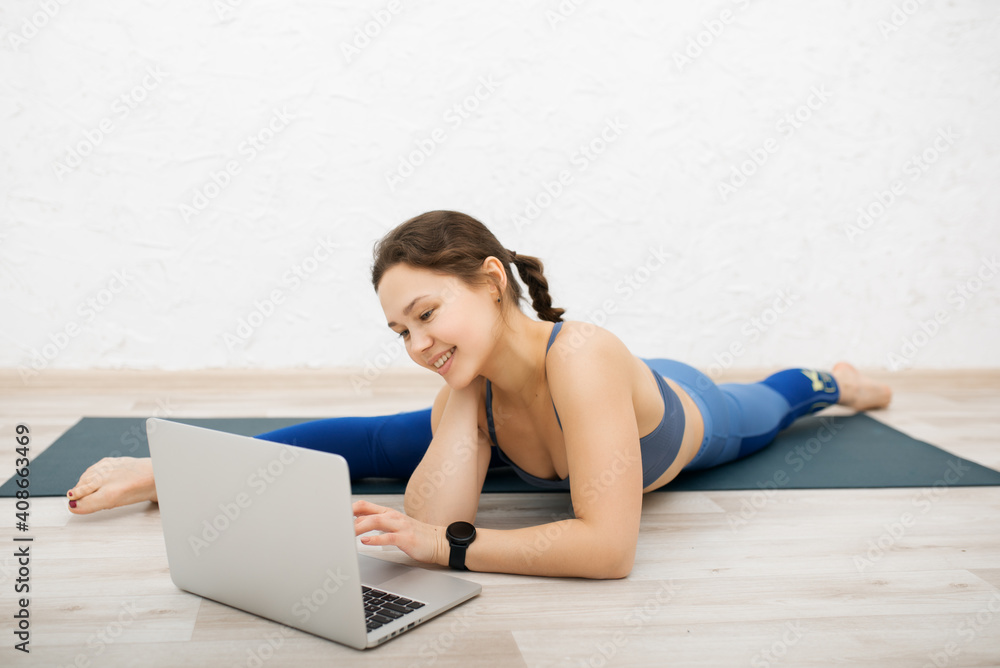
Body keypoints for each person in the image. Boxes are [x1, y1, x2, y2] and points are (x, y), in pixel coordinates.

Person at [65, 210, 892, 579]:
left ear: (491, 282)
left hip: (687, 413)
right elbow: (400, 486)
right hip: (514, 411)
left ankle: (832, 378)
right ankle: (152, 472)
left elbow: (606, 551)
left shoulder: (586, 356)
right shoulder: (469, 384)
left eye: (427, 315)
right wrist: (160, 475)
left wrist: (454, 550)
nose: (418, 345)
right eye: (401, 333)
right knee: (371, 439)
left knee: (770, 407)